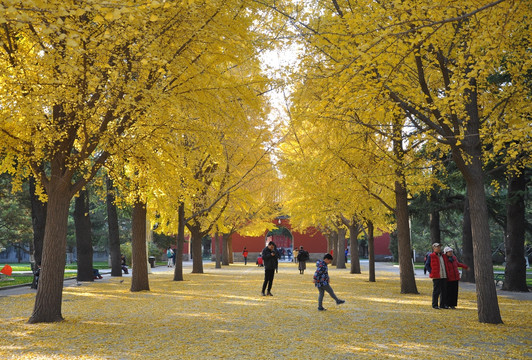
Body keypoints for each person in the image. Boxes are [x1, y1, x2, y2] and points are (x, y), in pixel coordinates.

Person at [427, 243, 448, 309]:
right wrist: (432, 272)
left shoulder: (443, 255)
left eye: (439, 247)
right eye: (437, 247)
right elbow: (427, 265)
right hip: (436, 276)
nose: (439, 248)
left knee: (444, 291)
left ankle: (442, 305)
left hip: (444, 275)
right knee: (436, 291)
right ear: (434, 248)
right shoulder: (431, 256)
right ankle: (435, 305)